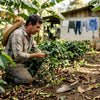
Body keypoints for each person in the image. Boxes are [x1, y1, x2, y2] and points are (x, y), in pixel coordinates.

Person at [3, 14, 48, 84]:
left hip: (22, 62)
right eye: (37, 27)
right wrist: (36, 55)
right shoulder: (18, 34)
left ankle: (27, 76)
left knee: (38, 62)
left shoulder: (31, 35)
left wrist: (42, 53)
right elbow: (17, 55)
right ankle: (8, 77)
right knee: (27, 80)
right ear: (30, 24)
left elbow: (34, 48)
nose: (38, 30)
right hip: (12, 64)